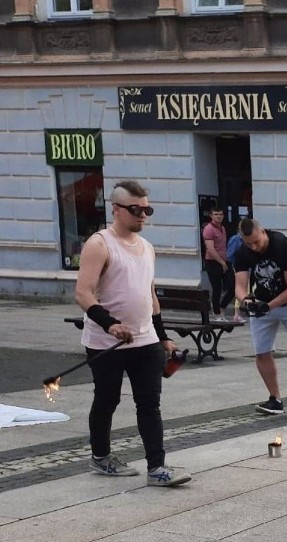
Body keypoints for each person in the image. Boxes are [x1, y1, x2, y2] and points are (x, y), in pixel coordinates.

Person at [74, 180, 191, 487]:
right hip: (105, 342)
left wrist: (163, 336)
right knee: (107, 399)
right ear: (116, 210)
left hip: (145, 339)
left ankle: (157, 468)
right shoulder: (99, 244)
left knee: (149, 403)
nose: (143, 215)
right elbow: (83, 293)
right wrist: (109, 324)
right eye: (136, 210)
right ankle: (100, 457)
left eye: (147, 209)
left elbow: (150, 297)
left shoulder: (147, 248)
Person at [233, 218, 287, 419]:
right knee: (261, 352)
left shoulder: (283, 245)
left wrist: (269, 306)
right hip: (262, 304)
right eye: (248, 244)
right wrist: (246, 301)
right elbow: (239, 286)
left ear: (263, 231)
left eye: (256, 241)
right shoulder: (242, 252)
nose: (254, 247)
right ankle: (275, 399)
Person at [202, 208, 235, 321]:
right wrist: (221, 263)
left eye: (221, 214)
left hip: (224, 260)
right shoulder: (208, 229)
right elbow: (210, 249)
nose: (219, 216)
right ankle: (216, 313)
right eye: (216, 214)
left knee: (232, 286)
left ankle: (222, 307)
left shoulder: (223, 228)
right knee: (217, 288)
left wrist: (226, 261)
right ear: (211, 216)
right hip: (212, 262)